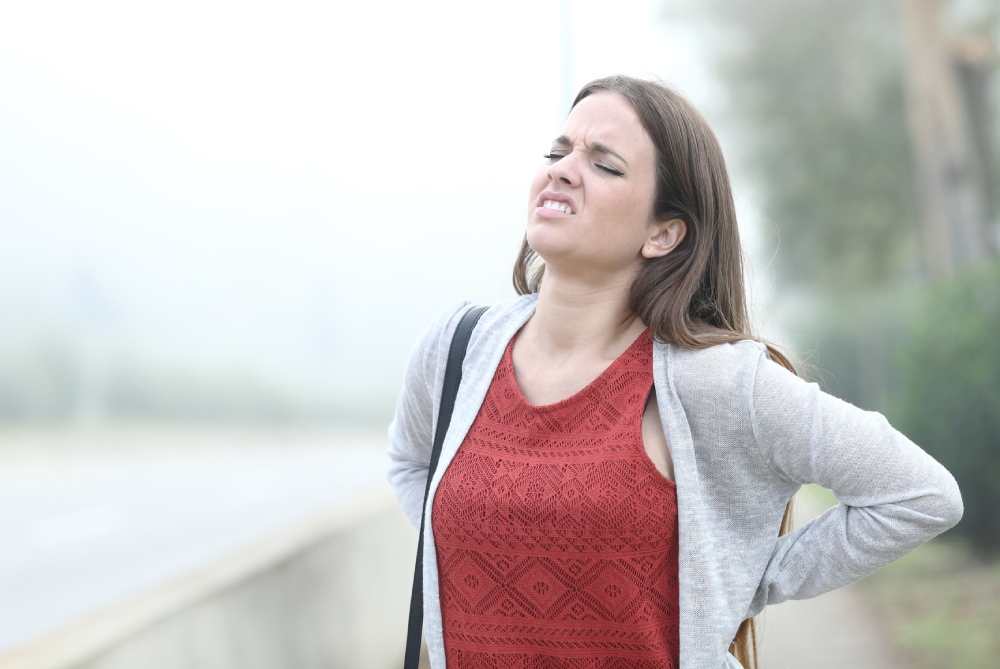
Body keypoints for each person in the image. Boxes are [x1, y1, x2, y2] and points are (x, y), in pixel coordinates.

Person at [387, 75, 963, 669]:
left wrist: (738, 577)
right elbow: (409, 464)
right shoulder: (456, 349)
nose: (562, 170)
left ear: (663, 233)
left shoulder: (716, 382)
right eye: (558, 152)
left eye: (604, 165)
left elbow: (919, 494)